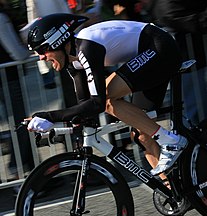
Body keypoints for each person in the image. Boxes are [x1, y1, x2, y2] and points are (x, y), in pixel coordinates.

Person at [26, 14, 188, 182]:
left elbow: (97, 103)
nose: (41, 57)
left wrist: (50, 116)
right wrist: (59, 122)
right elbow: (85, 105)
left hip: (159, 47)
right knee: (141, 136)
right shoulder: (73, 63)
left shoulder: (86, 48)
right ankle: (174, 190)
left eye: (42, 50)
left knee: (107, 99)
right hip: (147, 55)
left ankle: (171, 140)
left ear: (57, 41)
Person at [143, 0, 207, 216]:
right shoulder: (167, 4)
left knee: (195, 132)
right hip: (177, 63)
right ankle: (179, 194)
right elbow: (199, 22)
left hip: (188, 65)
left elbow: (198, 21)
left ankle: (193, 192)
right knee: (151, 132)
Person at [0, 0, 34, 179]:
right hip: (8, 78)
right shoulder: (1, 17)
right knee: (20, 122)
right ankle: (18, 169)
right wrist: (27, 49)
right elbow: (17, 53)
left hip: (4, 77)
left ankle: (30, 167)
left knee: (18, 122)